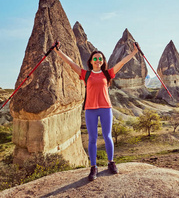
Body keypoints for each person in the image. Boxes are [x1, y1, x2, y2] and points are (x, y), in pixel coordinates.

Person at [54, 41, 138, 181]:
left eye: (100, 58)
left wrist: (134, 52)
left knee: (107, 136)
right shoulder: (86, 74)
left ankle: (111, 163)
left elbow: (122, 62)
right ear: (91, 61)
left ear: (103, 61)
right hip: (90, 110)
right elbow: (70, 63)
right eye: (95, 58)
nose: (98, 60)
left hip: (106, 108)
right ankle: (93, 168)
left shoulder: (108, 73)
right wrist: (58, 51)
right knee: (92, 139)